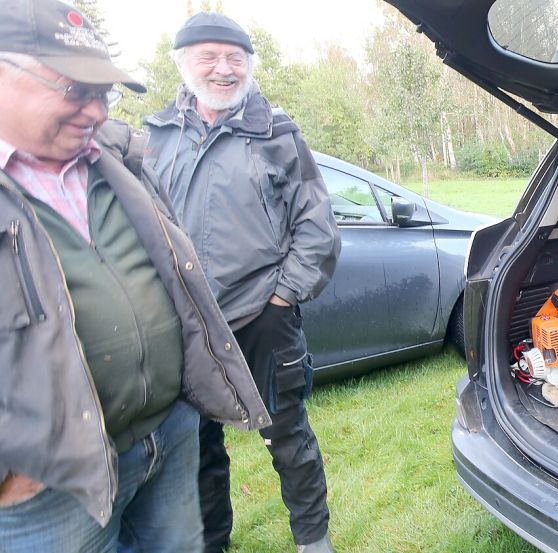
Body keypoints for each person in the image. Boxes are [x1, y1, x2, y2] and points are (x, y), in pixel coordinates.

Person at [0, 1, 272, 552]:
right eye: (76, 89)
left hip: (167, 436)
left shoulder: (118, 161)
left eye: (104, 93)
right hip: (50, 488)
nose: (97, 112)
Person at [143, 12, 341, 553]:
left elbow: (316, 227)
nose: (223, 69)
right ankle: (212, 543)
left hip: (262, 319)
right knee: (198, 450)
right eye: (208, 57)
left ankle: (313, 541)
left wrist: (282, 298)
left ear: (250, 66)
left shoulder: (277, 133)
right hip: (184, 327)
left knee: (289, 440)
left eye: (235, 58)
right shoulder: (156, 137)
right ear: (183, 64)